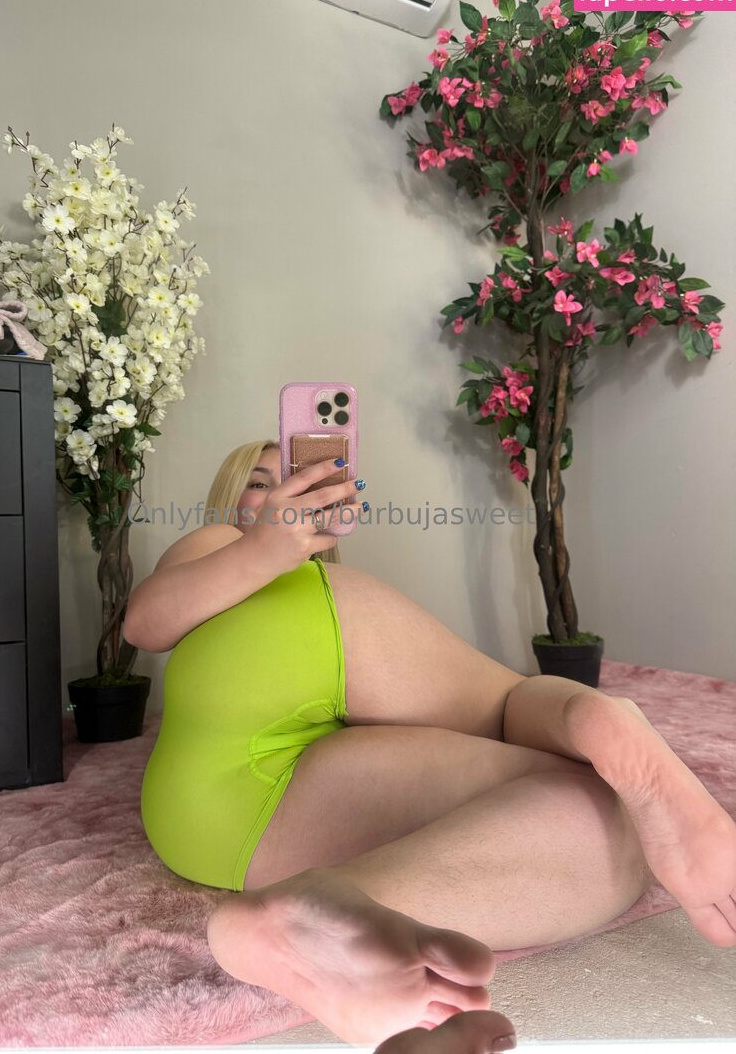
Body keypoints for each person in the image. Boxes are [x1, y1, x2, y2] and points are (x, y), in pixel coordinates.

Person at [125, 439, 736, 1047]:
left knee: (606, 817)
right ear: (228, 501)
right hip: (234, 770)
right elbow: (144, 624)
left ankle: (324, 914)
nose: (281, 495)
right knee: (505, 707)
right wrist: (262, 548)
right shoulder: (215, 545)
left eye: (303, 483)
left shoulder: (319, 587)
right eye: (261, 483)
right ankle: (601, 720)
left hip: (247, 827)